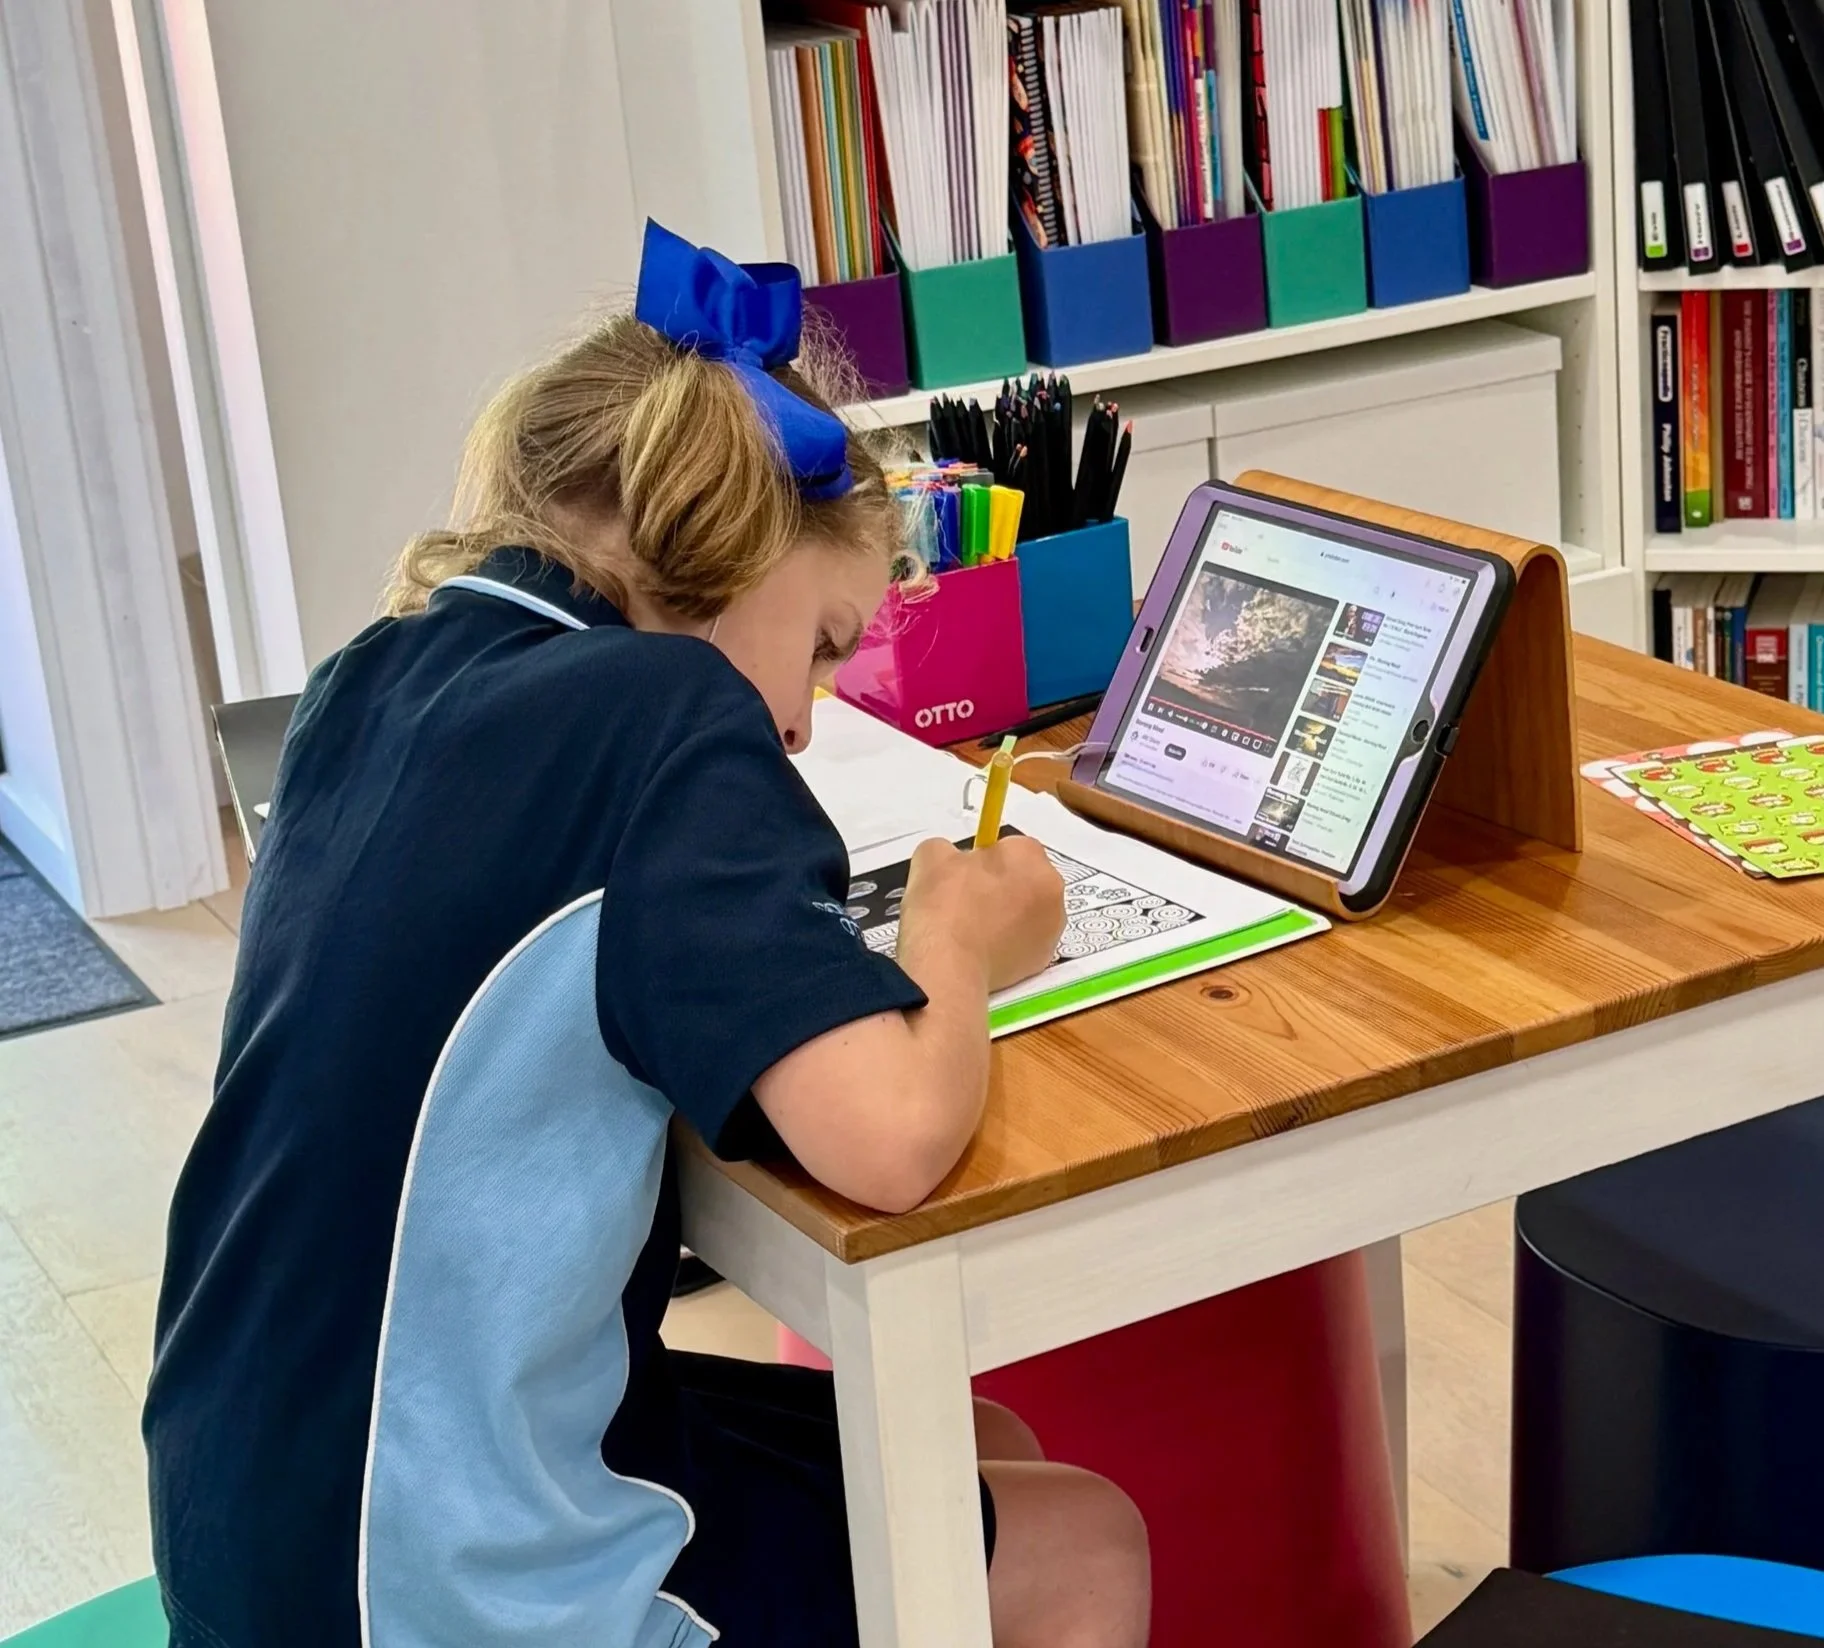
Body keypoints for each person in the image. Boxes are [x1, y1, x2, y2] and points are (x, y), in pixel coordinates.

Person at [143, 224, 1150, 1648]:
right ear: (732, 547)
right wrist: (958, 938)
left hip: (260, 1510)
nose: (802, 718)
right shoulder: (669, 712)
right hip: (430, 1576)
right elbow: (894, 1139)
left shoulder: (373, 676)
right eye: (819, 642)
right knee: (1083, 1544)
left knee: (958, 1433)